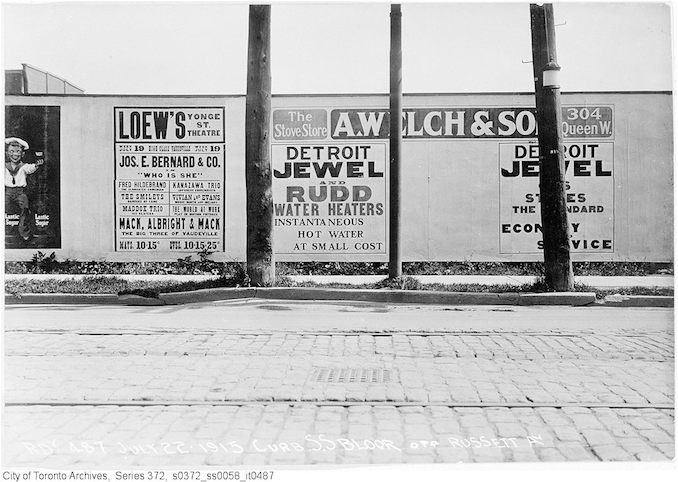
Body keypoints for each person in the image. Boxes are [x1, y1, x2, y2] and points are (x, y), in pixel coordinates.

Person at [5, 137, 43, 242]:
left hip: (19, 192)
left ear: (22, 154)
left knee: (25, 209)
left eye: (18, 152)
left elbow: (30, 168)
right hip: (7, 192)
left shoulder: (23, 166)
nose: (15, 155)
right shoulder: (4, 166)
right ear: (7, 153)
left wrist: (36, 165)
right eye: (12, 152)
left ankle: (24, 232)